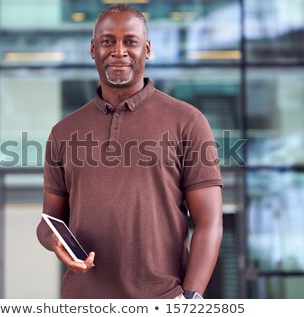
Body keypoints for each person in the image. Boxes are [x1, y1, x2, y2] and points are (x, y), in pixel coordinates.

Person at [36, 4, 223, 299]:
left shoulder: (188, 121)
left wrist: (191, 300)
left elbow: (209, 221)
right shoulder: (63, 132)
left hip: (163, 301)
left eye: (130, 41)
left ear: (147, 49)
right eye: (108, 41)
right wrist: (53, 242)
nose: (119, 50)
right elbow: (49, 221)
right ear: (93, 49)